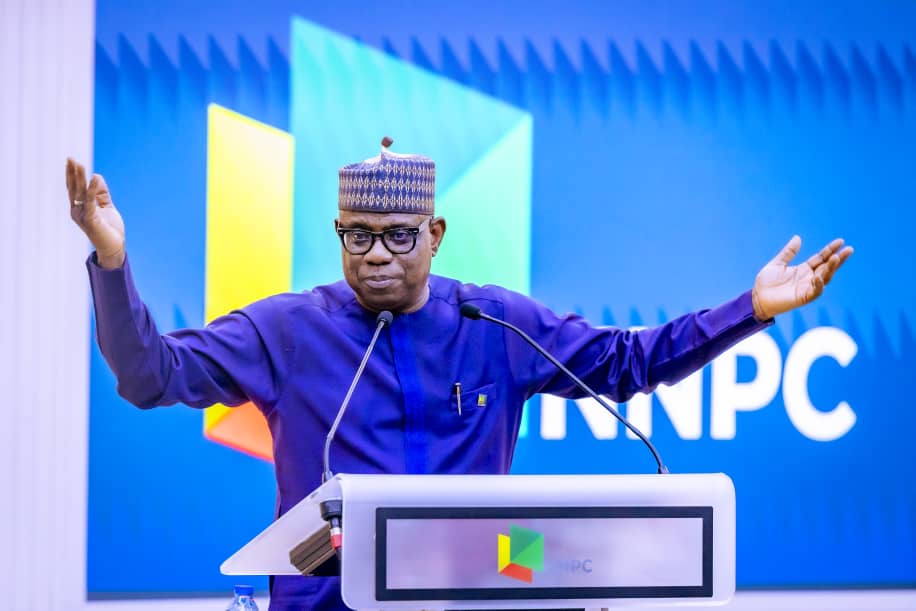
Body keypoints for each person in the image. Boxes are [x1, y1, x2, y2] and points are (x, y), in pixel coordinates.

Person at [65, 139, 852, 610]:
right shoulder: (288, 329)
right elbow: (149, 374)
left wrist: (749, 309)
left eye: (398, 235)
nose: (376, 253)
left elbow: (627, 362)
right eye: (357, 236)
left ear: (436, 233)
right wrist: (111, 258)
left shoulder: (495, 324)